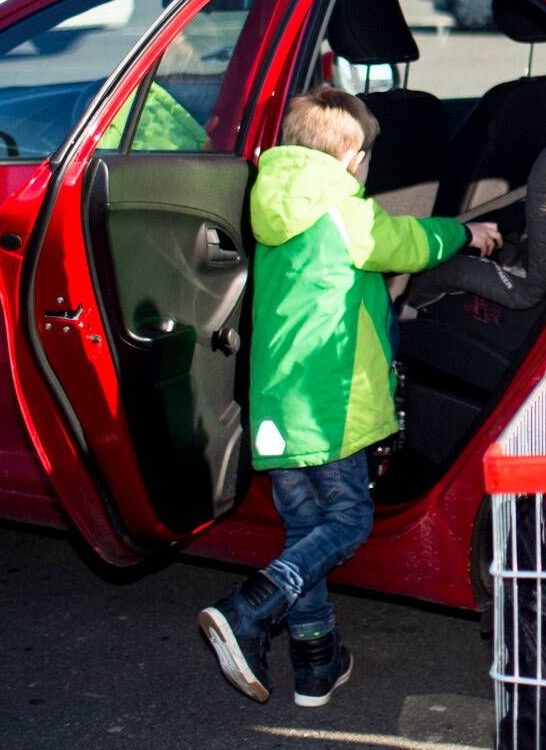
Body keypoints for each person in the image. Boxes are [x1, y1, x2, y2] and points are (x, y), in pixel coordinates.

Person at [199, 87, 500, 706]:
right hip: (331, 405)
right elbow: (406, 243)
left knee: (304, 528)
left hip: (277, 407)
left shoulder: (272, 200)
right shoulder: (344, 208)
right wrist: (465, 233)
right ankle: (252, 605)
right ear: (352, 158)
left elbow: (333, 277)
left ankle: (316, 662)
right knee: (349, 519)